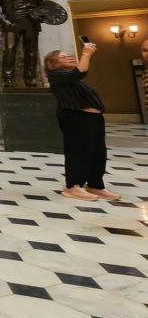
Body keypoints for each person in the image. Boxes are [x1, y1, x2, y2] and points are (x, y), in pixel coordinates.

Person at [44, 45, 119, 201]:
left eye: (69, 55)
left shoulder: (70, 77)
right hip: (75, 118)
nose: (70, 57)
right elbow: (80, 72)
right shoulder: (56, 76)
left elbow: (78, 73)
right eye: (63, 57)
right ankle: (73, 186)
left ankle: (95, 185)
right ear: (52, 63)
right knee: (78, 151)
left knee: (98, 153)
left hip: (93, 119)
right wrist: (86, 54)